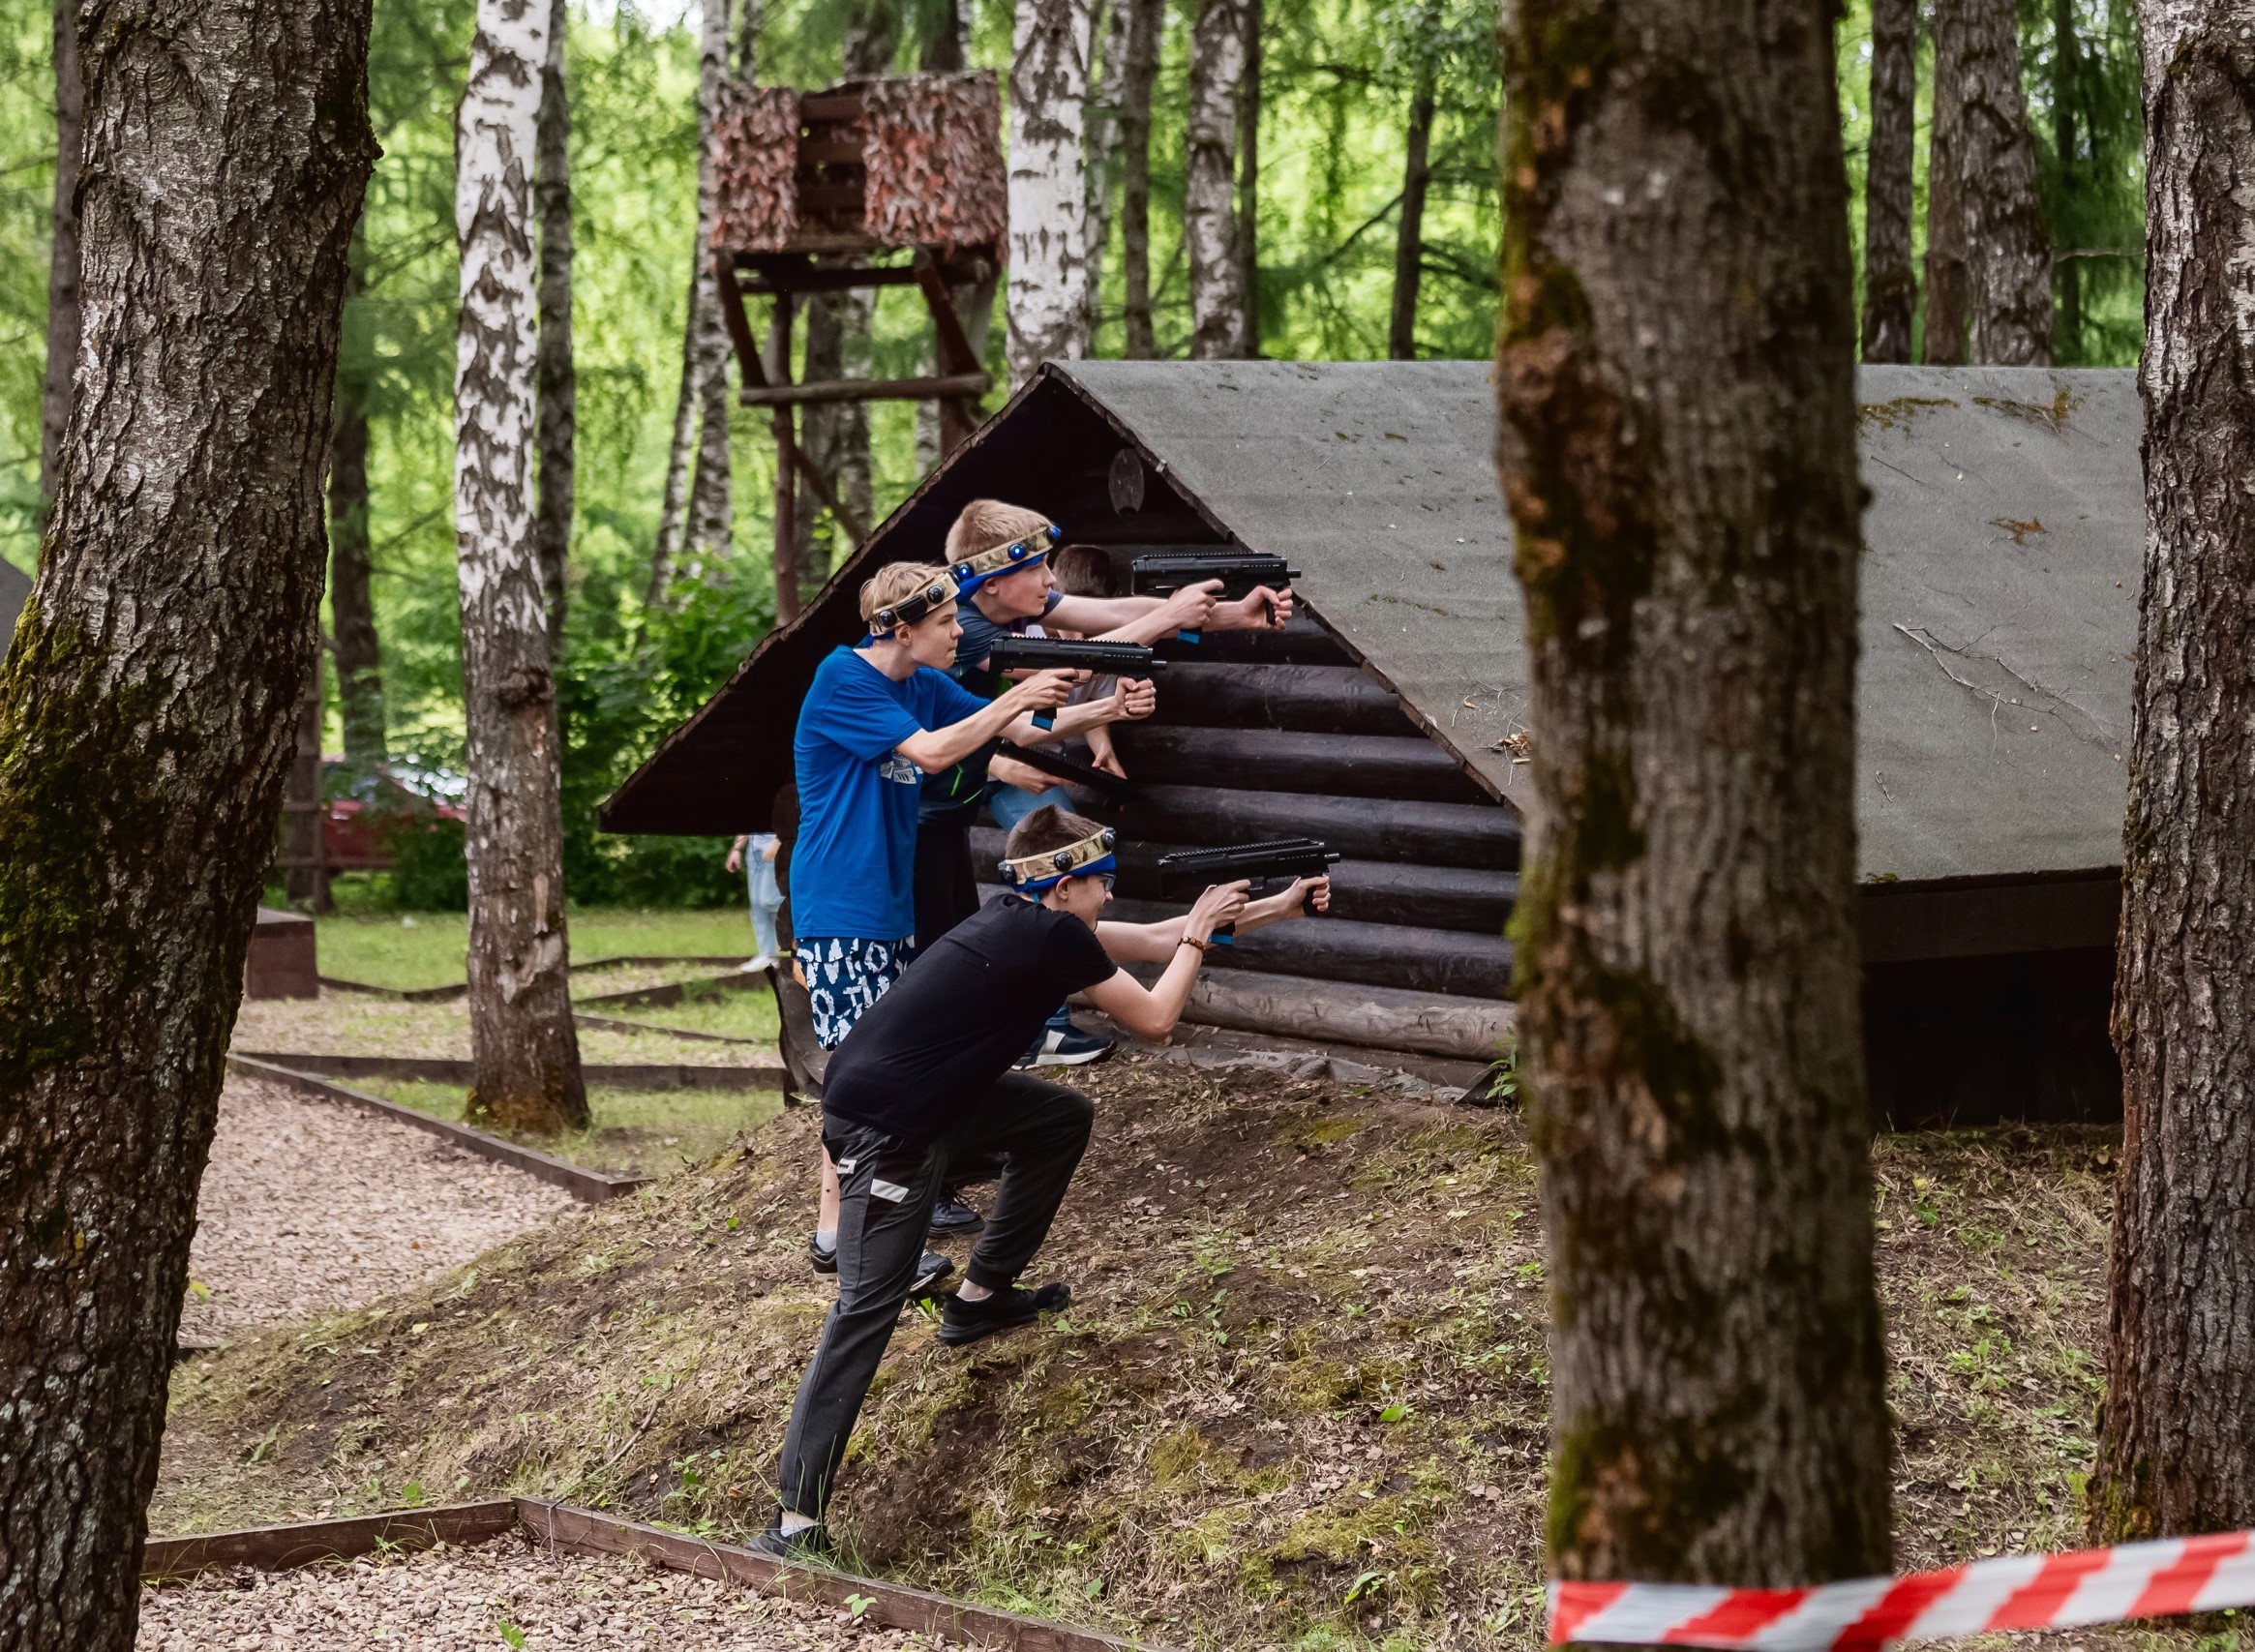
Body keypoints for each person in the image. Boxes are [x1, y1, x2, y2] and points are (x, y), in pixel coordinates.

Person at [755, 805, 1330, 1560]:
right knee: (866, 1307)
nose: (1109, 898)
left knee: (1058, 1119)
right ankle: (793, 1523)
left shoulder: (1031, 925)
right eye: (1100, 884)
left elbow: (1159, 941)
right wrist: (1197, 931)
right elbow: (1157, 1014)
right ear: (1061, 887)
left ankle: (981, 1298)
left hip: (927, 1109)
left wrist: (1277, 906)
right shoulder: (1049, 934)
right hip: (885, 1133)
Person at [917, 498, 1297, 1071]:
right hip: (927, 798)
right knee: (1025, 879)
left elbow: (1118, 610)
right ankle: (1028, 1028)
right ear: (989, 584)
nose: (1050, 580)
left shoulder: (1008, 605)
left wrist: (1234, 616)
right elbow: (1074, 661)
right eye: (1034, 570)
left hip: (972, 771)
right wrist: (1169, 618)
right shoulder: (963, 627)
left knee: (1061, 849)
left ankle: (1033, 1022)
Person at [791, 561, 1079, 1289]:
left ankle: (833, 1231)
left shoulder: (919, 684)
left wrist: (1098, 708)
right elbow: (935, 750)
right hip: (839, 907)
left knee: (860, 1068)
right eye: (947, 622)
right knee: (871, 1080)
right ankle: (867, 1239)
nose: (960, 632)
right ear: (901, 627)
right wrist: (1011, 705)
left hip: (884, 908)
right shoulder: (844, 679)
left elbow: (1007, 727)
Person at [724, 831, 783, 972]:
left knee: (769, 900)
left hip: (776, 849)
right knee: (757, 907)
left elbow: (789, 820)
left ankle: (797, 942)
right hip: (754, 851)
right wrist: (736, 849)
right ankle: (767, 956)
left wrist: (777, 843)